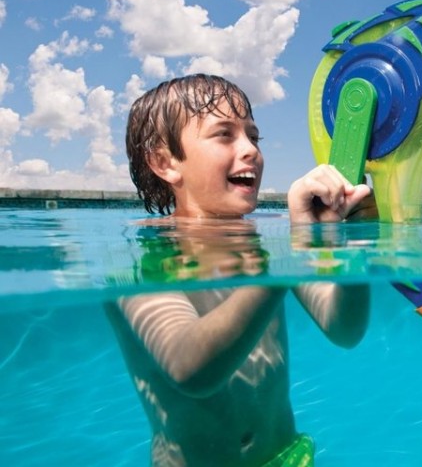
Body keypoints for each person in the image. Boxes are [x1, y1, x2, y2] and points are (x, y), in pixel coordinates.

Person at [104, 73, 373, 466]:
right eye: (224, 135)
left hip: (288, 455)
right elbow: (189, 369)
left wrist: (351, 241)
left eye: (254, 136)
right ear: (165, 162)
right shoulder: (137, 255)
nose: (250, 150)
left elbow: (344, 329)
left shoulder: (267, 240)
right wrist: (292, 254)